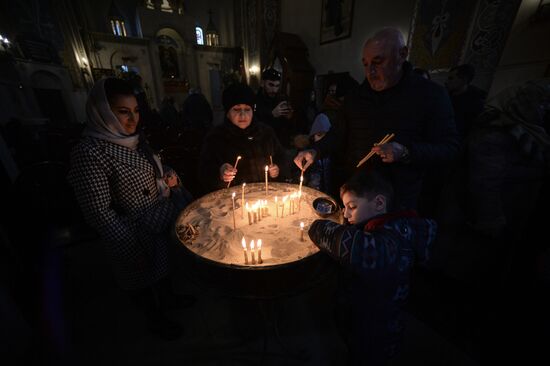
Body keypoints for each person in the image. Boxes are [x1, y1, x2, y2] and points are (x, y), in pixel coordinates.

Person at [67, 77, 194, 340]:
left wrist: (168, 174)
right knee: (140, 278)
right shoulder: (90, 152)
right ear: (102, 111)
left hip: (157, 218)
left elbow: (152, 169)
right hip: (130, 231)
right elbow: (98, 212)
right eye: (123, 111)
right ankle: (154, 319)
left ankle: (168, 299)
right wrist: (127, 245)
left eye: (135, 111)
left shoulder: (135, 140)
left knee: (162, 267)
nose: (132, 119)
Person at [294, 27, 460, 210]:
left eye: (378, 62)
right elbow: (338, 134)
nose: (370, 72)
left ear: (402, 54)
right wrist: (315, 151)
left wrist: (406, 152)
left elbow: (449, 148)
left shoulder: (430, 95)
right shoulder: (355, 97)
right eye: (365, 64)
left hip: (398, 200)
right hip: (354, 195)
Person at [308, 169, 436, 365]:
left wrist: (316, 227)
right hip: (368, 315)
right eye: (344, 207)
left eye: (352, 206)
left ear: (378, 203)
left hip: (378, 326)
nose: (345, 213)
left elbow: (359, 248)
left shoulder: (392, 241)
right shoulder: (391, 225)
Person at [198, 83, 287, 193]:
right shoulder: (216, 138)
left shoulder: (265, 133)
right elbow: (204, 173)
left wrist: (278, 169)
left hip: (265, 196)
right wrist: (220, 173)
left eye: (247, 109)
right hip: (232, 201)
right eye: (236, 109)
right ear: (227, 113)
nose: (243, 115)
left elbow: (282, 158)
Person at [445, 64, 487, 140]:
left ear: (464, 80)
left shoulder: (476, 103)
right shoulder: (445, 97)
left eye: (451, 78)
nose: (446, 82)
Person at [255, 68, 294, 147]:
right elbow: (255, 126)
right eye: (271, 85)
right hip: (261, 145)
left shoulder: (280, 100)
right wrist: (272, 114)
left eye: (277, 86)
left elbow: (287, 129)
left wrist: (289, 118)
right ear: (262, 83)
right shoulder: (255, 101)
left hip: (278, 145)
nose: (274, 90)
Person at [305, 113, 332, 193]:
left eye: (325, 136)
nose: (322, 139)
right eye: (319, 135)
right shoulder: (309, 155)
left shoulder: (333, 156)